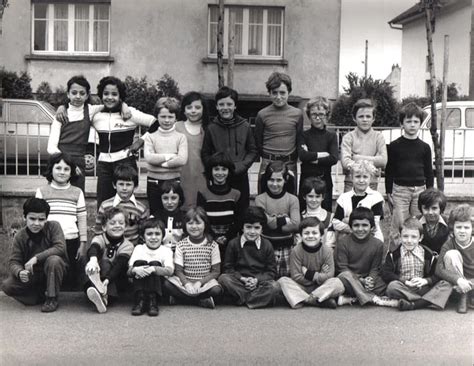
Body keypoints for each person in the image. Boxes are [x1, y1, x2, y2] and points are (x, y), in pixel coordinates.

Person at [92, 76, 156, 208]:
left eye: (114, 94)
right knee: (103, 203)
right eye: (106, 93)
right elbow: (75, 111)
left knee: (125, 201)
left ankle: (129, 227)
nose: (110, 97)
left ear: (120, 96)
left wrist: (140, 142)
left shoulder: (129, 113)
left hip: (125, 161)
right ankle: (103, 228)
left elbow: (155, 123)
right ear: (100, 95)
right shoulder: (96, 114)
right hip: (104, 164)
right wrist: (62, 108)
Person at [313, 207, 397, 307]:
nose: (360, 229)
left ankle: (354, 297)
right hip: (348, 280)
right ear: (351, 227)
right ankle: (369, 298)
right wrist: (360, 280)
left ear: (372, 227)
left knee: (385, 284)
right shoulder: (343, 242)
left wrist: (370, 279)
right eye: (356, 225)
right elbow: (342, 268)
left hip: (366, 281)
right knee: (341, 278)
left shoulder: (378, 244)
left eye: (364, 225)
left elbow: (375, 267)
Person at [2, 198, 68, 312]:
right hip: (34, 275)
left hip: (54, 271)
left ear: (46, 219)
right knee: (7, 286)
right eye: (32, 219)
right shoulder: (20, 236)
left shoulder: (54, 227)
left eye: (41, 219)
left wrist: (36, 258)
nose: (36, 223)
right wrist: (19, 272)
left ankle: (52, 298)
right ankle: (39, 296)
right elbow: (14, 261)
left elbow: (60, 247)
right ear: (24, 217)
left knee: (54, 260)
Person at [201, 86, 257, 213]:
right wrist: (214, 169)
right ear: (216, 106)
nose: (225, 108)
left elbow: (252, 150)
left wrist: (242, 166)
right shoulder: (211, 128)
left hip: (239, 175)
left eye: (229, 104)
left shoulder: (245, 126)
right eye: (221, 104)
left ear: (235, 106)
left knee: (241, 209)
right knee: (220, 209)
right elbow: (205, 153)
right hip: (219, 178)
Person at [35, 153, 86, 290]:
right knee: (52, 267)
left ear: (72, 172)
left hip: (71, 239)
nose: (62, 172)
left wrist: (82, 243)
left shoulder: (77, 192)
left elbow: (81, 218)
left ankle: (69, 303)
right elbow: (38, 218)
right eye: (58, 168)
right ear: (51, 169)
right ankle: (50, 293)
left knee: (71, 276)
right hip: (49, 241)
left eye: (66, 169)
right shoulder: (42, 192)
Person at [47, 75, 107, 192]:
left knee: (77, 196)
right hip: (60, 162)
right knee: (57, 196)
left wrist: (124, 106)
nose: (78, 96)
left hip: (79, 162)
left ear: (87, 95)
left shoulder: (90, 110)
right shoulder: (60, 115)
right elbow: (51, 147)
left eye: (82, 93)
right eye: (74, 93)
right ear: (68, 94)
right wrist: (68, 165)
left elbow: (112, 104)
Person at [386, 102, 434, 243]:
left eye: (416, 121)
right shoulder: (394, 146)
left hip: (420, 191)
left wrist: (430, 192)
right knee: (399, 225)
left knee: (417, 223)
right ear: (402, 124)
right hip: (400, 191)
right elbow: (389, 170)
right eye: (408, 121)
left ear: (420, 124)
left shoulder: (425, 147)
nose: (412, 125)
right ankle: (395, 257)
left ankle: (417, 252)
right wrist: (389, 191)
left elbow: (429, 172)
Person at [382, 217, 449, 311]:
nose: (409, 240)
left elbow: (437, 274)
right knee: (392, 287)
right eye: (405, 236)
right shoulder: (394, 254)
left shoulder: (428, 254)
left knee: (446, 284)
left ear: (420, 238)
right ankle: (427, 301)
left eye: (414, 237)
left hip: (422, 288)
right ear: (400, 237)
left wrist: (426, 281)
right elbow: (386, 273)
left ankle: (413, 304)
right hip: (403, 287)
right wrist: (404, 281)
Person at [218, 207, 279, 309]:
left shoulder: (267, 245)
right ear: (242, 227)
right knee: (223, 278)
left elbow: (271, 272)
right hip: (240, 282)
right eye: (248, 227)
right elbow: (228, 269)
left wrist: (257, 280)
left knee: (275, 286)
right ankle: (257, 300)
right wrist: (242, 279)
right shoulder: (233, 244)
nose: (252, 231)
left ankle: (243, 299)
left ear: (262, 228)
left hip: (259, 283)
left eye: (256, 228)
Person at [163, 207, 222, 309]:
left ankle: (182, 299)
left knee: (216, 289)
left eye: (198, 223)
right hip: (185, 283)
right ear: (185, 225)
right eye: (190, 223)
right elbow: (178, 271)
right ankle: (201, 301)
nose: (194, 226)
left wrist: (200, 282)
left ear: (205, 224)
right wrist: (187, 284)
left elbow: (216, 272)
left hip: (204, 283)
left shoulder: (212, 245)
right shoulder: (181, 245)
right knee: (167, 284)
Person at [255, 72, 303, 195]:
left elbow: (298, 140)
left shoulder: (297, 114)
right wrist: (268, 157)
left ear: (289, 92)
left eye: (282, 93)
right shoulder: (262, 114)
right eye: (274, 93)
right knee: (264, 199)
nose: (278, 97)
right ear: (269, 93)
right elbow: (258, 142)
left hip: (289, 163)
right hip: (268, 162)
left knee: (290, 198)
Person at [278, 217, 336, 309]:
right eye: (306, 233)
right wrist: (320, 275)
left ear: (321, 235)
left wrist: (308, 274)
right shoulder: (296, 251)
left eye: (314, 233)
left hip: (321, 286)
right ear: (301, 235)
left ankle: (302, 299)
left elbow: (329, 276)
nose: (310, 236)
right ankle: (314, 300)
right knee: (283, 280)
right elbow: (296, 276)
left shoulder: (327, 251)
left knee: (336, 282)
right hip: (302, 287)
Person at [255, 161, 300, 278]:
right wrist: (284, 219)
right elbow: (264, 224)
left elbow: (295, 224)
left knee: (286, 279)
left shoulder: (293, 199)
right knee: (267, 279)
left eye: (279, 180)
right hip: (266, 248)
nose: (275, 184)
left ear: (285, 180)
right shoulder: (260, 199)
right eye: (271, 180)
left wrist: (272, 220)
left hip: (287, 247)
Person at [144, 97, 188, 216]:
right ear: (157, 117)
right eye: (163, 117)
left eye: (170, 117)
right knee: (155, 214)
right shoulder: (150, 137)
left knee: (173, 213)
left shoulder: (180, 137)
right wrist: (170, 156)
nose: (167, 120)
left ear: (176, 118)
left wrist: (161, 163)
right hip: (153, 181)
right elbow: (149, 158)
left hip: (174, 180)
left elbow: (182, 159)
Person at [85, 207, 134, 313]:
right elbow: (94, 248)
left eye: (121, 223)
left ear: (125, 227)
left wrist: (107, 280)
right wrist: (93, 260)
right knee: (91, 261)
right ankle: (102, 296)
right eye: (112, 223)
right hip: (99, 273)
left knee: (106, 263)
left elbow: (119, 265)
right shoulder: (100, 238)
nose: (117, 226)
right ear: (103, 227)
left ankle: (103, 294)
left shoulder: (127, 245)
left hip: (116, 280)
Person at [197, 152, 241, 260]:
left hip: (231, 241)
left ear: (229, 171)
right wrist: (215, 237)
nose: (220, 173)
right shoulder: (203, 194)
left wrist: (226, 237)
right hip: (209, 240)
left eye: (224, 169)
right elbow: (202, 219)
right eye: (216, 169)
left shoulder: (236, 194)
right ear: (210, 171)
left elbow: (238, 220)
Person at [298, 97, 338, 211]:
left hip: (325, 179)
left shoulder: (331, 136)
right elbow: (302, 156)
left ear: (327, 115)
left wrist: (311, 156)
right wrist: (323, 154)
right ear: (309, 115)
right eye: (314, 114)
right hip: (306, 180)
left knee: (325, 212)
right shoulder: (303, 135)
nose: (317, 118)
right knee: (305, 212)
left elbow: (334, 158)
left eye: (321, 114)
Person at [330, 160, 384, 245]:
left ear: (370, 178)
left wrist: (347, 220)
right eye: (358, 176)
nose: (361, 180)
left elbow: (374, 226)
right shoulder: (344, 197)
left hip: (371, 239)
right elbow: (336, 223)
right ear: (351, 177)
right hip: (348, 238)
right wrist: (353, 229)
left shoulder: (376, 197)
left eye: (365, 177)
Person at [128, 218, 174, 316]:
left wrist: (153, 269)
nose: (153, 237)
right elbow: (129, 271)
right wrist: (135, 270)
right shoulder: (139, 248)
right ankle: (140, 301)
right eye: (149, 234)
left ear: (163, 236)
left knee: (155, 263)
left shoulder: (166, 250)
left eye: (157, 234)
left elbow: (170, 270)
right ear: (143, 237)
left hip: (159, 286)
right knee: (139, 262)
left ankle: (153, 302)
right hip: (140, 283)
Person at [94, 165, 149, 246]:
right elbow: (99, 230)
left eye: (128, 184)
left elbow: (143, 233)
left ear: (135, 186)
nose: (124, 188)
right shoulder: (105, 205)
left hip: (132, 248)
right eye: (121, 184)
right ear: (114, 185)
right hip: (109, 248)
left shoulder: (140, 208)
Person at [340, 98, 387, 192]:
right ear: (354, 118)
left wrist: (356, 157)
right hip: (351, 183)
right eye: (361, 116)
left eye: (368, 116)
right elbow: (345, 162)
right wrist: (372, 160)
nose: (365, 120)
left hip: (371, 182)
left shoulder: (379, 137)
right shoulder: (348, 137)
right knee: (350, 207)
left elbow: (383, 161)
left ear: (373, 118)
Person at [436, 204, 474, 314]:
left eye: (466, 227)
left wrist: (470, 283)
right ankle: (464, 296)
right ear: (453, 228)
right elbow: (439, 269)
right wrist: (458, 280)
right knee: (451, 254)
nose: (462, 231)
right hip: (459, 282)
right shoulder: (449, 243)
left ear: (472, 228)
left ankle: (469, 295)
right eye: (458, 227)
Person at [175, 92, 209, 211]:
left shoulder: (208, 128)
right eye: (189, 107)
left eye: (198, 107)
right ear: (184, 110)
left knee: (200, 210)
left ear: (204, 109)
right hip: (182, 175)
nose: (193, 111)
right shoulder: (176, 127)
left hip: (203, 177)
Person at [154, 180, 185, 252]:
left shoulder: (185, 217)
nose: (169, 202)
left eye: (173, 198)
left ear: (179, 198)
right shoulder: (155, 218)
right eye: (165, 198)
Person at [417, 188, 449, 255]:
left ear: (441, 208)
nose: (430, 212)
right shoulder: (415, 223)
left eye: (434, 208)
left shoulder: (448, 223)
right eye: (426, 208)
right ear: (421, 208)